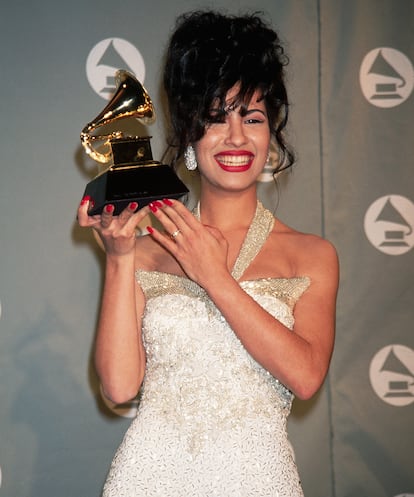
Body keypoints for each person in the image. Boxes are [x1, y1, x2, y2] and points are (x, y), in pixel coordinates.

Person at [78, 10, 339, 497]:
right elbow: (119, 388)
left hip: (259, 481)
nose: (236, 137)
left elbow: (305, 377)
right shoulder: (147, 249)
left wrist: (214, 277)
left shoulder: (311, 255)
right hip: (147, 480)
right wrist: (119, 259)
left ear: (271, 136)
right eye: (216, 119)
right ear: (190, 136)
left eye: (253, 118)